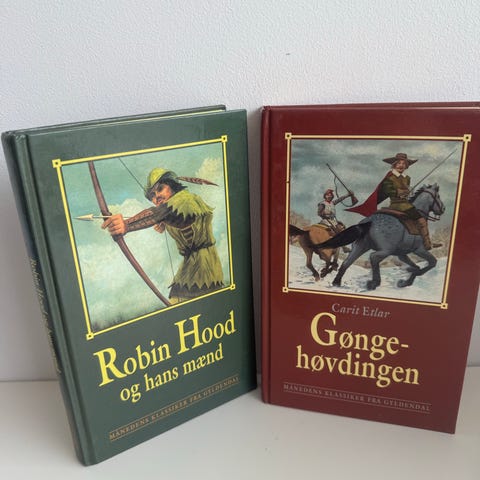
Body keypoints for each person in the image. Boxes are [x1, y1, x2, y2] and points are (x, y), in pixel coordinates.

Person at [102, 168, 224, 304]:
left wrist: (126, 225)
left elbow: (162, 213)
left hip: (205, 269)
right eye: (152, 196)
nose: (156, 197)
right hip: (189, 268)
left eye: (160, 189)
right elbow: (173, 217)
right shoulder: (172, 209)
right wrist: (165, 223)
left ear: (172, 185)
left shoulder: (186, 199)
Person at [379, 152, 432, 250]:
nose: (401, 165)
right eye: (399, 163)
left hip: (406, 203)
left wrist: (408, 192)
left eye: (404, 164)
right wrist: (402, 192)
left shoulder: (407, 178)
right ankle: (427, 243)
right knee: (422, 221)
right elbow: (389, 191)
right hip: (397, 205)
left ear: (406, 166)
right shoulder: (389, 178)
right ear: (394, 165)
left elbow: (406, 192)